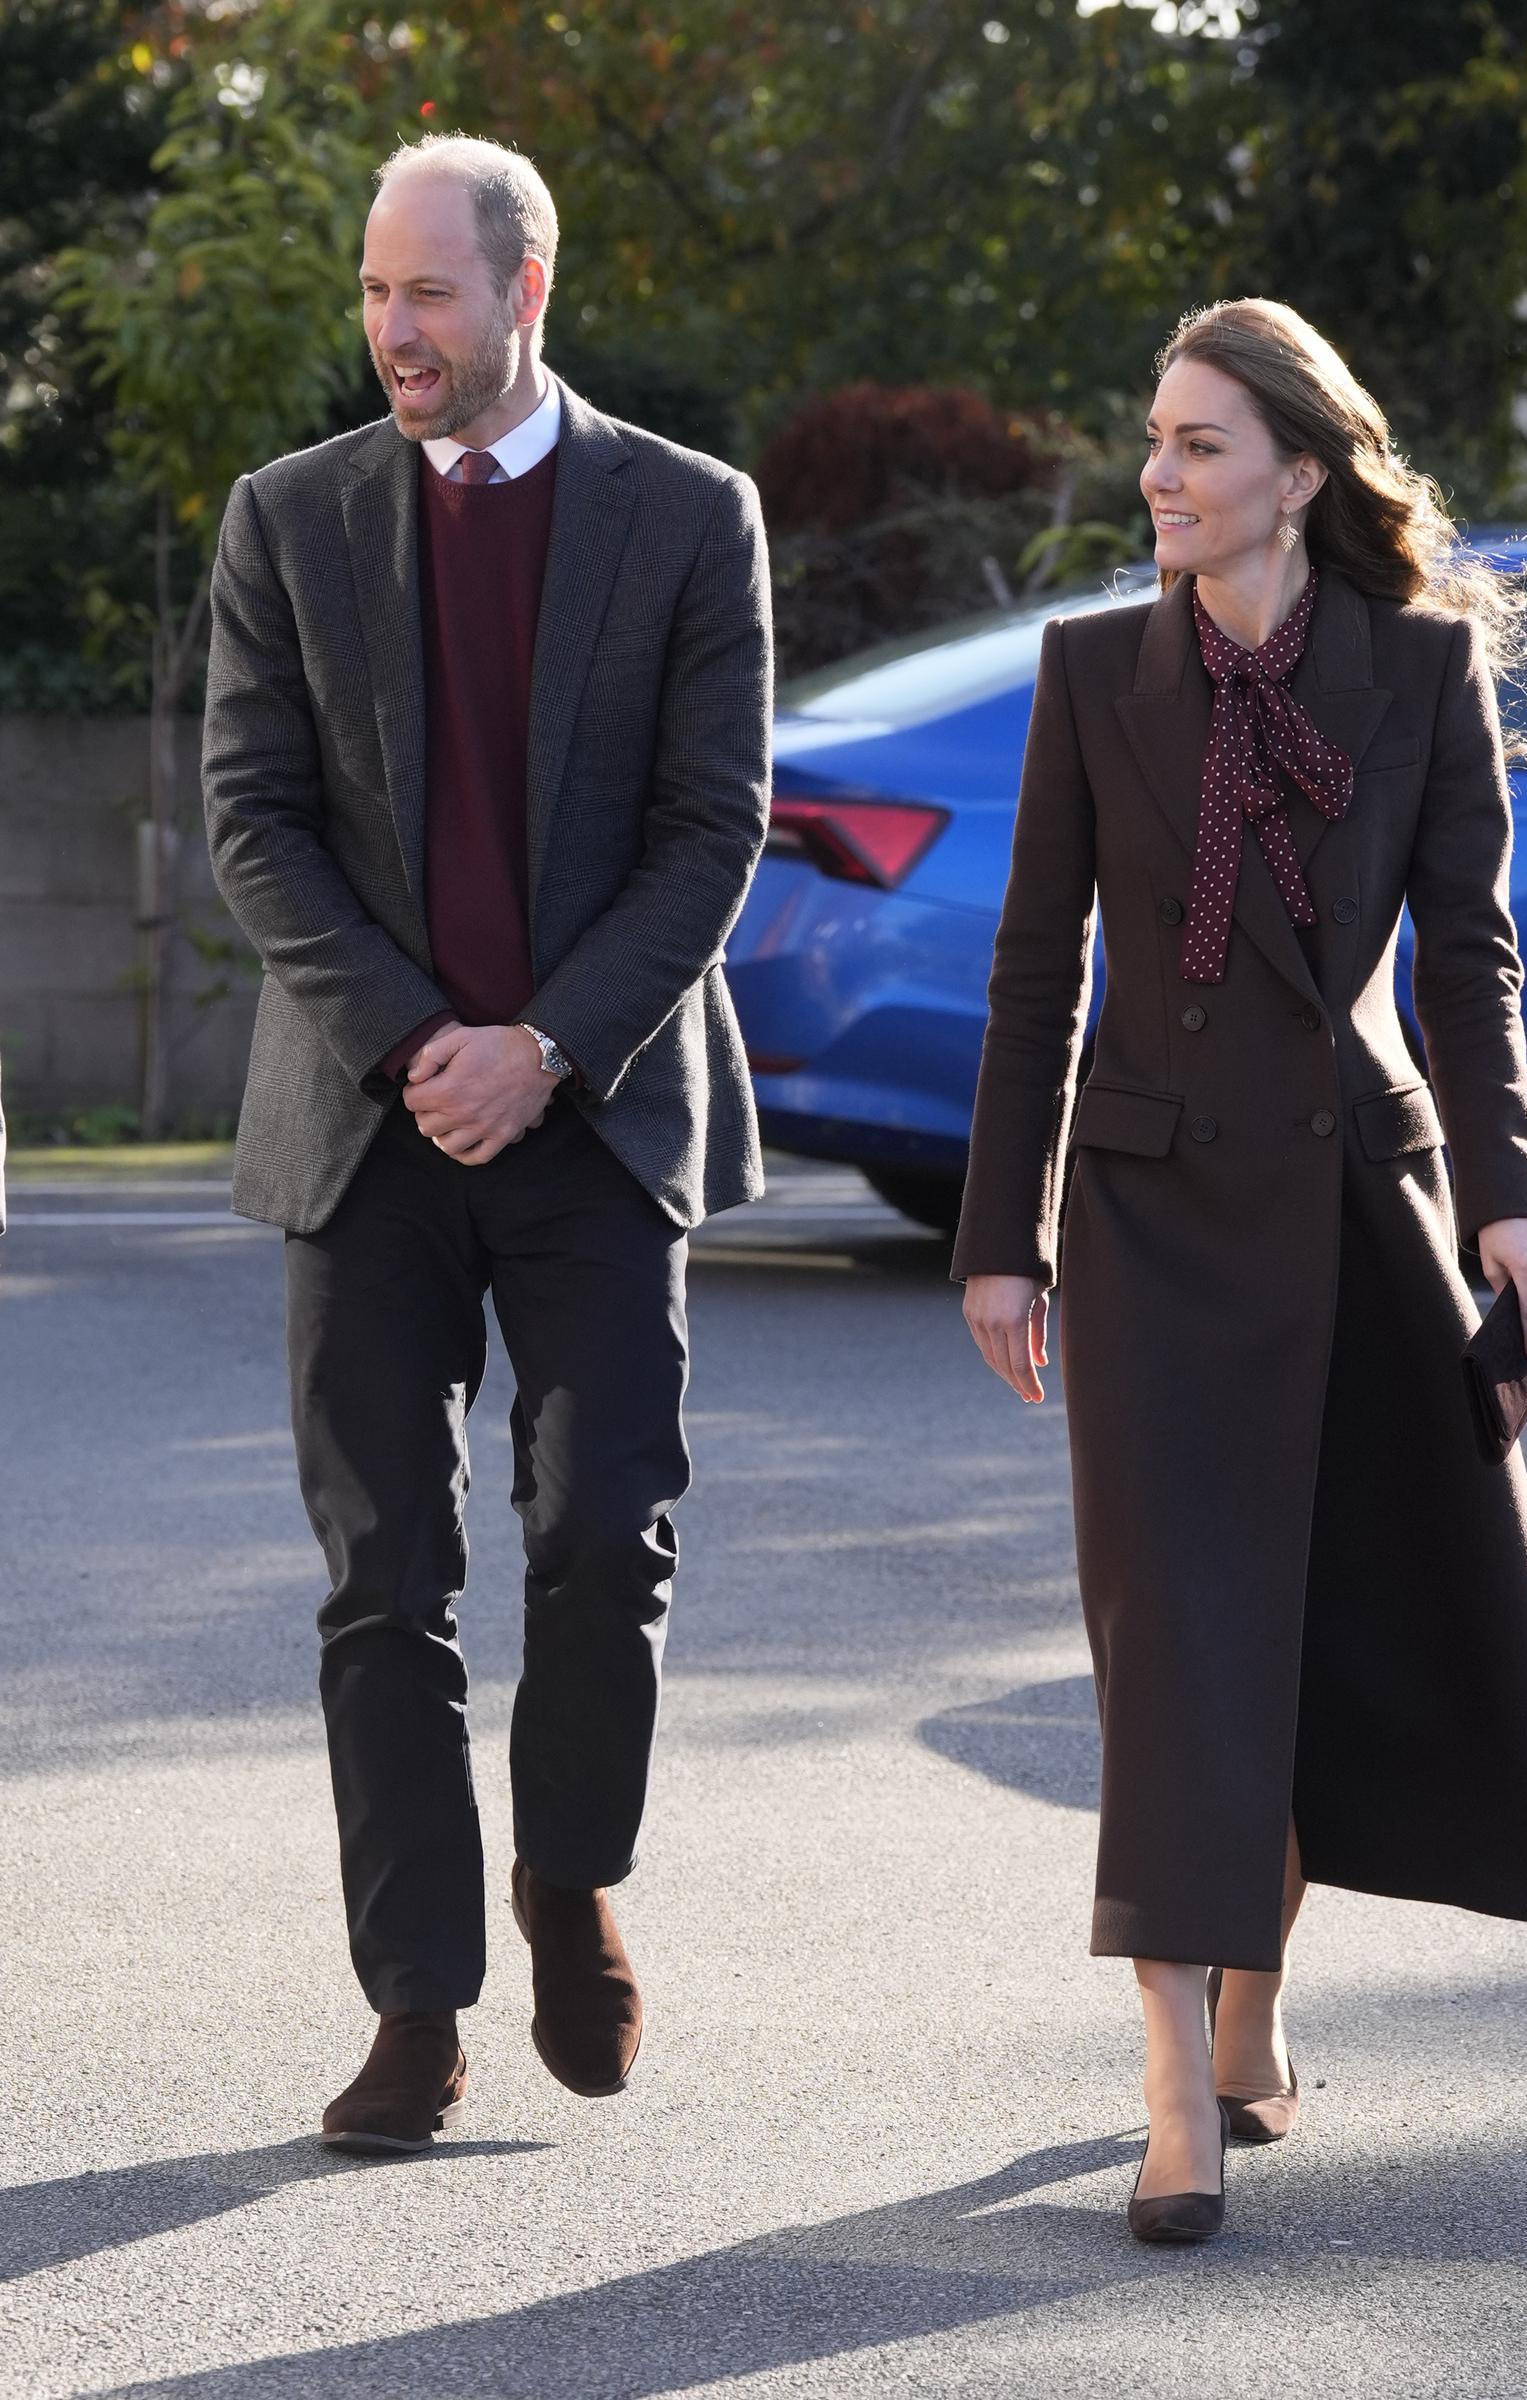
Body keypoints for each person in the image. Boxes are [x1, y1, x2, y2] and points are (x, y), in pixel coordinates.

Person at [954, 298, 1527, 2246]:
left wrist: (1515, 1196)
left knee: (1306, 1641)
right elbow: (1032, 972)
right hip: (1148, 1221)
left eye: (1200, 445)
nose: (1157, 475)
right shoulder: (1088, 675)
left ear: (1298, 478)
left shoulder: (1410, 677)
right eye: (1153, 439)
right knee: (1176, 1654)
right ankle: (1175, 2095)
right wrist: (1003, 1236)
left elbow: (1468, 966)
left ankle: (1251, 1995)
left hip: (1353, 1215)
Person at [203, 135, 772, 2152]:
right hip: (363, 1130)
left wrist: (543, 1046)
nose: (391, 330)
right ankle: (417, 2001)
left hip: (597, 1123)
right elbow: (251, 817)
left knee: (601, 1543)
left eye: (425, 293)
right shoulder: (291, 518)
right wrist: (422, 1042)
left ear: (526, 291)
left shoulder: (692, 516)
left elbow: (715, 827)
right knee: (384, 1580)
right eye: (373, 292)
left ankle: (566, 1875)